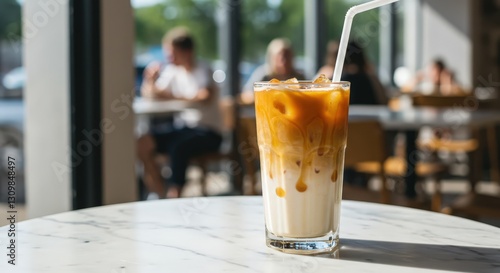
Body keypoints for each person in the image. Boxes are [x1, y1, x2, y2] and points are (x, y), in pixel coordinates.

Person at [137, 27, 223, 199]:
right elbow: (152, 94)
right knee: (143, 142)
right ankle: (161, 194)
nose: (169, 58)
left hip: (209, 132)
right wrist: (149, 80)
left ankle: (174, 194)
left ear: (187, 51)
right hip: (183, 128)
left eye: (172, 53)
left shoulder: (204, 69)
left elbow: (204, 97)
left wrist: (169, 95)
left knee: (178, 147)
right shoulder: (172, 71)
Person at [241, 38, 304, 104]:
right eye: (280, 56)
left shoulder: (299, 77)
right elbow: (246, 94)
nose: (284, 60)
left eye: (287, 56)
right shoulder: (263, 75)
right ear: (272, 57)